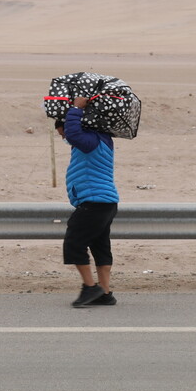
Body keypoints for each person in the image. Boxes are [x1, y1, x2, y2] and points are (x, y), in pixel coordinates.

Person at [55, 96, 119, 307]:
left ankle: (91, 287)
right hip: (105, 203)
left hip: (94, 202)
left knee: (74, 243)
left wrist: (76, 108)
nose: (62, 136)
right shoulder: (101, 139)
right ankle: (105, 293)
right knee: (100, 247)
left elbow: (74, 133)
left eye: (61, 131)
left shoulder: (89, 141)